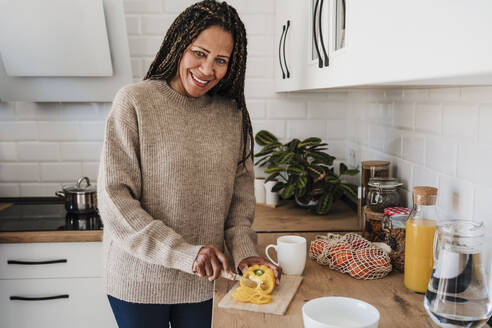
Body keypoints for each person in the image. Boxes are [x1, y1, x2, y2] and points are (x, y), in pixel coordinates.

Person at [97, 1, 281, 327]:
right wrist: (185, 253)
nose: (208, 69)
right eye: (199, 53)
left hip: (204, 285)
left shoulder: (232, 116)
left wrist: (246, 255)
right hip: (140, 283)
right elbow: (116, 201)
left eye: (220, 60)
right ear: (179, 45)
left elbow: (239, 209)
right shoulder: (135, 102)